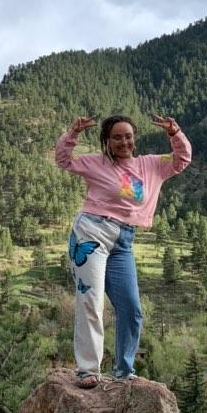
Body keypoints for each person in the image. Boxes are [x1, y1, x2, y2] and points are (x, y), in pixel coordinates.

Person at [55, 112, 191, 387]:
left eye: (128, 136)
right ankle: (88, 370)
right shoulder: (96, 163)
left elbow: (182, 159)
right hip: (90, 235)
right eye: (116, 137)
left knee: (131, 307)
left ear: (135, 139)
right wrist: (73, 133)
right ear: (107, 141)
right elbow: (63, 160)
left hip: (124, 242)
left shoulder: (151, 165)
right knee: (91, 301)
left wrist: (174, 133)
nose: (123, 142)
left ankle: (123, 370)